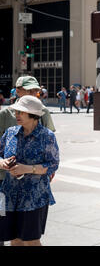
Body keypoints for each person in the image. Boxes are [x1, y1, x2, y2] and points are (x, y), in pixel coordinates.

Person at [0, 95, 59, 246]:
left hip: (34, 197)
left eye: (21, 112)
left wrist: (27, 169)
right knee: (14, 239)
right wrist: (3, 162)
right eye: (16, 112)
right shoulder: (10, 132)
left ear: (33, 115)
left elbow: (53, 164)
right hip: (9, 195)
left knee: (31, 241)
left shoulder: (47, 136)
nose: (16, 115)